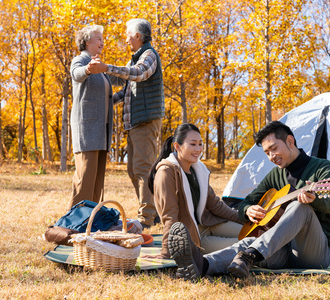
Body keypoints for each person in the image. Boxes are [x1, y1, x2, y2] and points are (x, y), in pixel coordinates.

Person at [168, 121, 330, 280]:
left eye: (274, 148)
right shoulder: (275, 175)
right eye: (267, 153)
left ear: (290, 141)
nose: (272, 156)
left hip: (315, 253)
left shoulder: (322, 168)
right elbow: (245, 203)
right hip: (282, 250)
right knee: (252, 242)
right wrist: (248, 209)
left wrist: (314, 199)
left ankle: (249, 254)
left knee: (300, 207)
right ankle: (202, 265)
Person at [87, 19, 165, 228]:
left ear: (138, 36)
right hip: (135, 123)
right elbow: (125, 86)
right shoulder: (136, 59)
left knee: (143, 169)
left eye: (128, 34)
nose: (126, 38)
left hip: (145, 121)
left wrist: (107, 67)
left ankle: (147, 218)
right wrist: (101, 74)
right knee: (134, 170)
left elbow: (139, 74)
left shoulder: (149, 56)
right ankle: (152, 211)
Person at [147, 123, 243, 259]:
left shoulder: (196, 169)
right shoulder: (166, 172)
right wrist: (165, 253)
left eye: (200, 144)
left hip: (210, 224)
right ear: (177, 146)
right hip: (194, 237)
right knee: (248, 244)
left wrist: (243, 219)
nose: (198, 149)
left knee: (256, 233)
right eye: (193, 144)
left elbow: (215, 205)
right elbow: (170, 216)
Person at [68, 25, 123, 211]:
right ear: (87, 41)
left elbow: (106, 99)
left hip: (101, 132)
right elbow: (76, 74)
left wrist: (123, 94)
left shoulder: (99, 65)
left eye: (102, 38)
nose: (102, 42)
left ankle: (90, 221)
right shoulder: (81, 60)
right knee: (85, 180)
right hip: (87, 131)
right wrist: (88, 70)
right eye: (98, 38)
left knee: (96, 183)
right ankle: (73, 224)